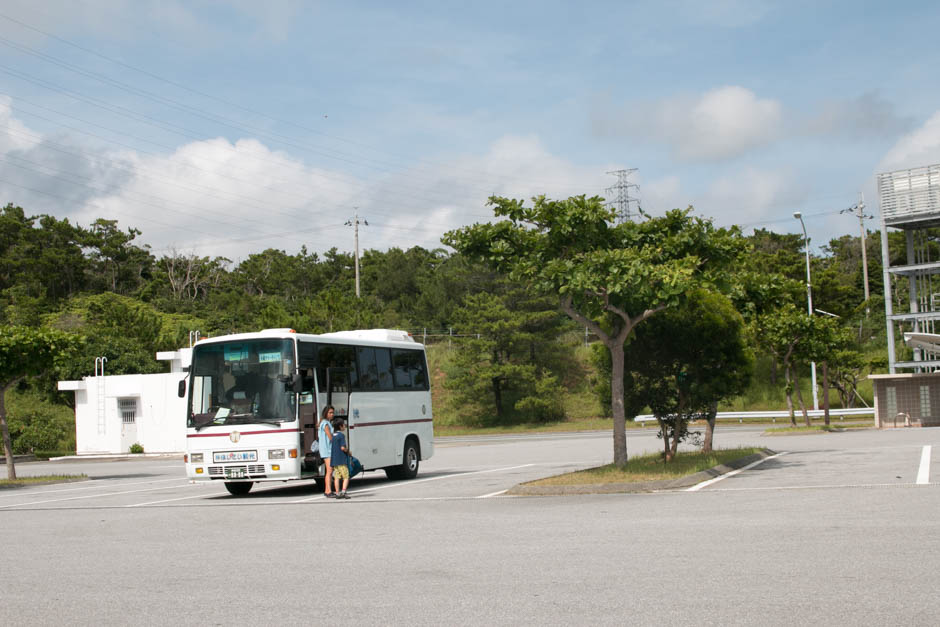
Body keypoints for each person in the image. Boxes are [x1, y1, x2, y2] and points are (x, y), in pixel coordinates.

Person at [330, 417, 350, 499]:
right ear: (341, 426)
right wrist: (348, 451)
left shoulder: (333, 436)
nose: (345, 426)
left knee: (337, 477)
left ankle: (337, 492)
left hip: (334, 460)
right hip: (341, 460)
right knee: (346, 476)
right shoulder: (341, 435)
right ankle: (344, 492)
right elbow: (342, 448)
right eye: (344, 425)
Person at [318, 406, 335, 497]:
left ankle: (327, 490)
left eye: (332, 412)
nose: (332, 414)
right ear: (326, 413)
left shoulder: (325, 422)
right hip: (327, 450)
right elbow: (330, 437)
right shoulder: (325, 424)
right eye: (330, 412)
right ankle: (328, 491)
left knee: (329, 470)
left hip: (326, 450)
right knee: (329, 470)